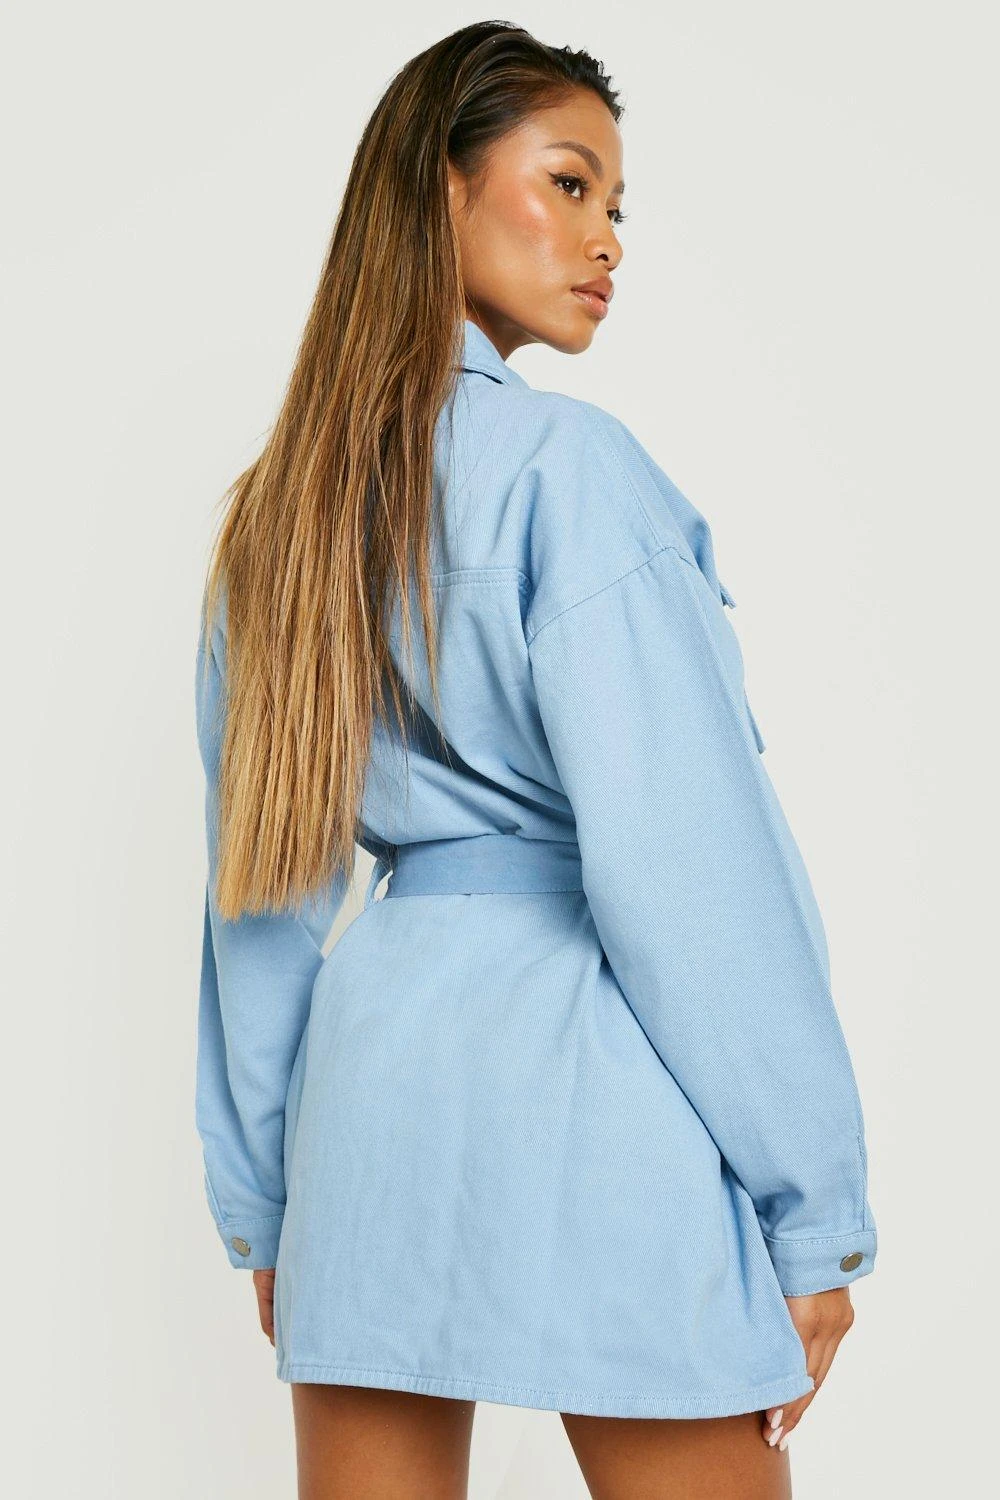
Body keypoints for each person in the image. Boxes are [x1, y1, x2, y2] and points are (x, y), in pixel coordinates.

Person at [194, 20, 878, 1500]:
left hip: (368, 1107)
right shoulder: (569, 472)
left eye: (616, 205)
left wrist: (268, 1202)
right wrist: (812, 1207)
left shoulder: (277, 518)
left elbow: (262, 899)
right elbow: (692, 875)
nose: (605, 237)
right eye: (568, 184)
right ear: (439, 188)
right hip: (591, 1078)